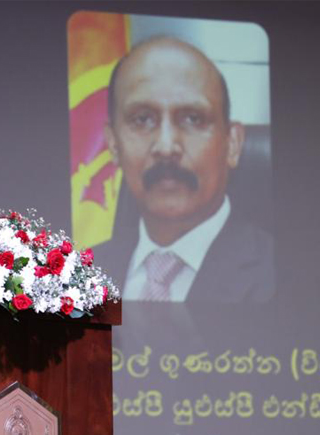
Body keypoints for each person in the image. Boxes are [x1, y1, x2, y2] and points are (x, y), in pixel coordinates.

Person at [96, 36, 275, 303]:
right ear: (113, 144)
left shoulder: (284, 272)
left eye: (193, 119)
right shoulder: (79, 273)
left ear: (233, 144)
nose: (166, 147)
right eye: (142, 119)